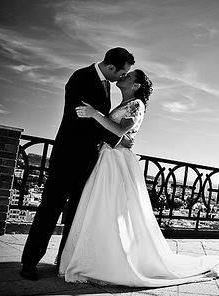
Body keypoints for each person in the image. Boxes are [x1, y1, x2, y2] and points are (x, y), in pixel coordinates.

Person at [59, 70, 219, 287]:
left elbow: (119, 131)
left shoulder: (136, 104)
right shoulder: (124, 103)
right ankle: (99, 258)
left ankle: (111, 263)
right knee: (103, 210)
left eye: (128, 75)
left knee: (114, 210)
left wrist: (94, 114)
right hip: (109, 158)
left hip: (117, 161)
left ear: (136, 84)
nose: (123, 76)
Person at [20, 47, 135, 280]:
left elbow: (98, 117)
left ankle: (63, 261)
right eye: (122, 72)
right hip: (68, 155)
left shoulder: (105, 84)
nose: (121, 77)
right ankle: (29, 263)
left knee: (75, 214)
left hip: (88, 160)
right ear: (111, 67)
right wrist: (116, 135)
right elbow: (82, 117)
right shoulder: (81, 77)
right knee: (50, 209)